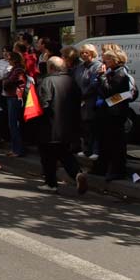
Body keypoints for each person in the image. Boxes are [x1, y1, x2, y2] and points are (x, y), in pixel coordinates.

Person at [35, 56, 88, 194]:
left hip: (50, 126)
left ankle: (51, 183)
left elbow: (44, 104)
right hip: (68, 127)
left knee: (47, 156)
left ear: (50, 67)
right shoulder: (71, 81)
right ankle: (77, 174)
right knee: (64, 153)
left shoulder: (47, 81)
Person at [94, 45, 134, 182]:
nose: (104, 64)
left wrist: (102, 77)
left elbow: (109, 91)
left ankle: (117, 171)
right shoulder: (114, 72)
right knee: (106, 142)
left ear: (115, 60)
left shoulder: (120, 74)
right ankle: (102, 168)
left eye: (106, 61)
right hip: (109, 113)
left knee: (116, 144)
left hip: (116, 114)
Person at [73, 44, 102, 160]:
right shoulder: (80, 67)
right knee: (84, 126)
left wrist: (84, 95)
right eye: (82, 53)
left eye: (87, 53)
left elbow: (94, 83)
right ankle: (86, 149)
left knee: (93, 125)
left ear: (92, 53)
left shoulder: (97, 66)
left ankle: (95, 150)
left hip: (91, 100)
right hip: (80, 100)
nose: (84, 55)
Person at [2, 51, 28, 157]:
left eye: (9, 59)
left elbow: (9, 82)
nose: (8, 61)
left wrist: (5, 80)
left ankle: (18, 150)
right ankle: (15, 148)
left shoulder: (18, 70)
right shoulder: (15, 69)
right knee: (12, 124)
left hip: (15, 97)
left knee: (14, 124)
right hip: (12, 96)